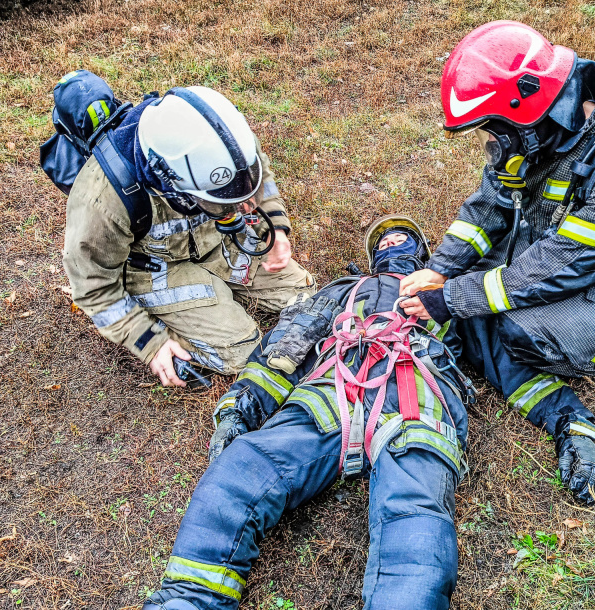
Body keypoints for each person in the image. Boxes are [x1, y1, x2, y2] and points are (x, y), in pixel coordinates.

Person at [401, 21, 595, 503]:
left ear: (532, 108)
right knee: (490, 292)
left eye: (497, 127)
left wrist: (453, 298)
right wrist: (442, 267)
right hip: (560, 238)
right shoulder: (538, 133)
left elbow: (568, 263)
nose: (494, 139)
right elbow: (489, 207)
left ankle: (588, 341)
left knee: (519, 329)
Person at [141, 216, 472, 610]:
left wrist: (566, 421)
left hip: (415, 398)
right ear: (373, 258)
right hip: (332, 392)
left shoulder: (453, 295)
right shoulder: (346, 289)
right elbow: (287, 346)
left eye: (402, 239)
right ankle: (188, 602)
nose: (391, 244)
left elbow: (509, 363)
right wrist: (240, 407)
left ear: (422, 253)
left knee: (415, 520)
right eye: (383, 242)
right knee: (242, 468)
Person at [62, 85, 315, 387]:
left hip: (215, 242)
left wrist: (274, 227)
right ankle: (175, 329)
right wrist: (148, 341)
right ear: (170, 180)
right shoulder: (102, 200)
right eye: (217, 201)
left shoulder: (224, 140)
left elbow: (258, 183)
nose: (231, 207)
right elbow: (94, 288)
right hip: (156, 268)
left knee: (306, 295)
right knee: (242, 352)